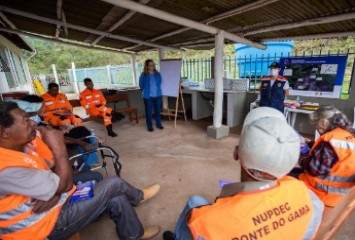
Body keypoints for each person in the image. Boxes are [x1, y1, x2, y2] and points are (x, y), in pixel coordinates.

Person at [0, 101, 161, 240]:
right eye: (26, 120)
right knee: (113, 184)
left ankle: (133, 234)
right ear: (4, 131)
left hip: (55, 204)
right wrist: (59, 150)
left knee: (115, 196)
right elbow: (64, 184)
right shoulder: (5, 167)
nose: (33, 123)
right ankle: (137, 197)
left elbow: (55, 178)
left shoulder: (22, 145)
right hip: (43, 227)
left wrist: (55, 193)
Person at [163, 107, 323, 240]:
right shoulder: (310, 198)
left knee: (194, 201)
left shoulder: (207, 223)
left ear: (236, 153)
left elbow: (201, 223)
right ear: (290, 164)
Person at [292, 106, 355, 207]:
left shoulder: (330, 141)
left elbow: (314, 169)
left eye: (315, 125)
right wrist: (311, 144)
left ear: (323, 123)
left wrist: (301, 156)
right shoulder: (349, 133)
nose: (316, 128)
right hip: (346, 192)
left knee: (284, 178)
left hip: (325, 193)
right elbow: (336, 155)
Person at [139, 59, 164, 132]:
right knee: (148, 112)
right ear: (146, 66)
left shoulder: (157, 74)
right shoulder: (143, 75)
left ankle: (158, 124)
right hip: (148, 97)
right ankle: (149, 126)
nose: (152, 66)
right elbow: (141, 85)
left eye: (153, 65)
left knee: (157, 111)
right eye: (150, 65)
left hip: (158, 96)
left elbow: (160, 82)